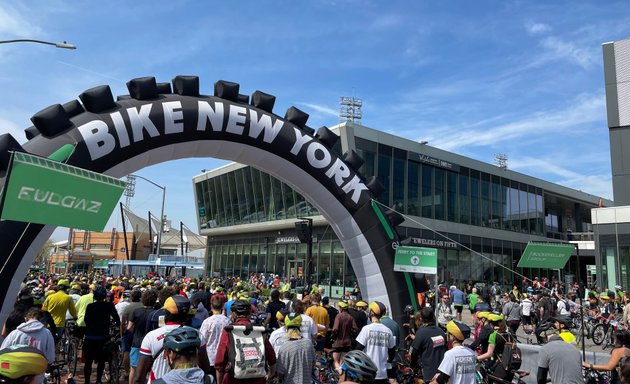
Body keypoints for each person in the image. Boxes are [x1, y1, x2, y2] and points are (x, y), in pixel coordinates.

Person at [137, 295, 211, 384]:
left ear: (165, 313)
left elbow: (139, 377)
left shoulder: (151, 336)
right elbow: (205, 368)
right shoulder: (197, 335)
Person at [214, 299, 276, 384]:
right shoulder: (259, 331)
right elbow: (272, 358)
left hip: (234, 380)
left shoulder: (229, 331)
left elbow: (220, 363)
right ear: (250, 314)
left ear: (233, 314)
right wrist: (270, 376)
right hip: (258, 379)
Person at [84, 285, 121, 384]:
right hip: (103, 337)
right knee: (101, 361)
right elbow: (117, 319)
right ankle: (99, 380)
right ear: (105, 296)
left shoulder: (90, 306)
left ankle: (87, 381)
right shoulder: (109, 305)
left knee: (88, 362)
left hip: (90, 336)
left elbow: (86, 320)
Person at [355, 301, 396, 383]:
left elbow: (358, 349)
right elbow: (392, 352)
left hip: (368, 372)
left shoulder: (366, 329)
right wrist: (387, 361)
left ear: (372, 312)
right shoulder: (388, 331)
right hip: (382, 374)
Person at [276, 313, 316, 384]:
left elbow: (280, 373)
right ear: (300, 325)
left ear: (286, 326)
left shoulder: (284, 347)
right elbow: (313, 364)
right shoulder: (309, 343)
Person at [128, 289, 158, 384]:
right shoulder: (156, 313)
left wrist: (135, 332)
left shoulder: (136, 311)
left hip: (137, 342)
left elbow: (129, 328)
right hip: (151, 345)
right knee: (148, 370)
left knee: (133, 369)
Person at [409, 307, 446, 381]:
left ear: (421, 318)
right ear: (433, 317)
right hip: (442, 372)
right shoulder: (441, 332)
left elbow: (414, 353)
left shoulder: (421, 333)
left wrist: (413, 365)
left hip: (429, 373)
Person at [199, 296, 230, 381]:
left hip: (210, 358)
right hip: (224, 357)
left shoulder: (207, 322)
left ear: (211, 306)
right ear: (222, 306)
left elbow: (202, 339)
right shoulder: (227, 321)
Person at [331, 301, 358, 369]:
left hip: (338, 342)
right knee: (342, 362)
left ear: (341, 308)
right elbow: (355, 329)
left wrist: (332, 337)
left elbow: (335, 329)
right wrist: (350, 333)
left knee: (334, 361)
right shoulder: (350, 317)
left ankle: (338, 376)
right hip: (347, 342)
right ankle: (341, 376)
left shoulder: (339, 316)